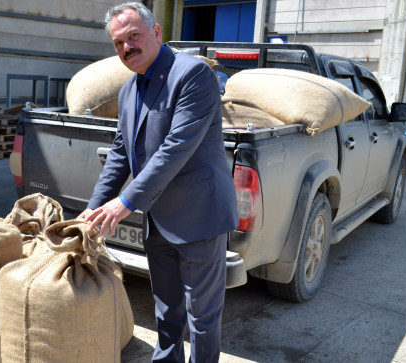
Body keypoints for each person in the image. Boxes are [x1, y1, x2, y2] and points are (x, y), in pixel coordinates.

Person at [79, 2, 239, 362]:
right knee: (167, 311)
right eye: (118, 43)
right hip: (157, 221)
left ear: (156, 32)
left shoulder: (193, 74)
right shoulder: (128, 91)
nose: (126, 48)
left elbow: (176, 148)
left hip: (199, 216)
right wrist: (92, 208)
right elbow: (121, 153)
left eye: (133, 36)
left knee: (203, 317)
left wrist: (126, 202)